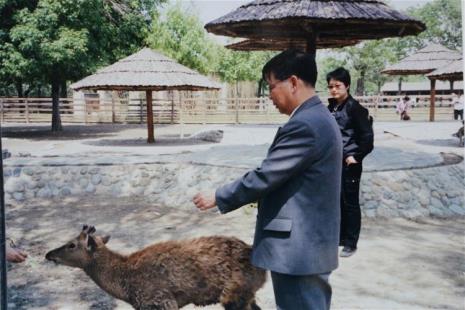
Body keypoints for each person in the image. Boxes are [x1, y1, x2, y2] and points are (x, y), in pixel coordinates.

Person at [193, 49, 342, 310]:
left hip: (299, 250)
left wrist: (218, 196)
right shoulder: (318, 118)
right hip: (310, 246)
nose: (269, 95)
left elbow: (266, 175)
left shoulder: (306, 124)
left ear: (293, 82)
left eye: (271, 87)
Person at [326, 67, 374, 258]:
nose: (334, 90)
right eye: (330, 86)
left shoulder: (356, 109)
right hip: (333, 163)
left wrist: (357, 156)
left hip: (350, 163)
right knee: (337, 200)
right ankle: (340, 237)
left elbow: (367, 138)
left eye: (337, 86)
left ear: (347, 85)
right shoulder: (331, 108)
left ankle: (351, 242)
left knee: (350, 202)